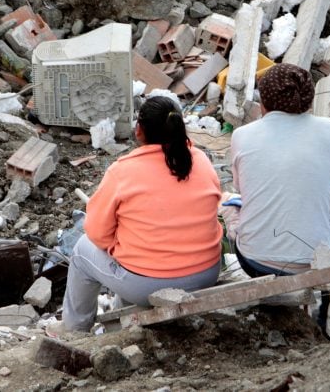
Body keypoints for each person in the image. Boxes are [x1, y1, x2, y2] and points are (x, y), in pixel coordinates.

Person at [230, 63, 330, 336]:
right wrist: (318, 206)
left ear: (263, 102)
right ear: (310, 101)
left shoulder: (241, 136)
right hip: (312, 266)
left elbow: (248, 194)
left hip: (254, 260)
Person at [61, 96, 223, 332]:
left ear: (139, 131)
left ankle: (74, 330)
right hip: (205, 274)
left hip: (147, 286)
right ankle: (122, 322)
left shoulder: (123, 170)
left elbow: (97, 233)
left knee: (82, 251)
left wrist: (121, 246)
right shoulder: (201, 160)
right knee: (135, 249)